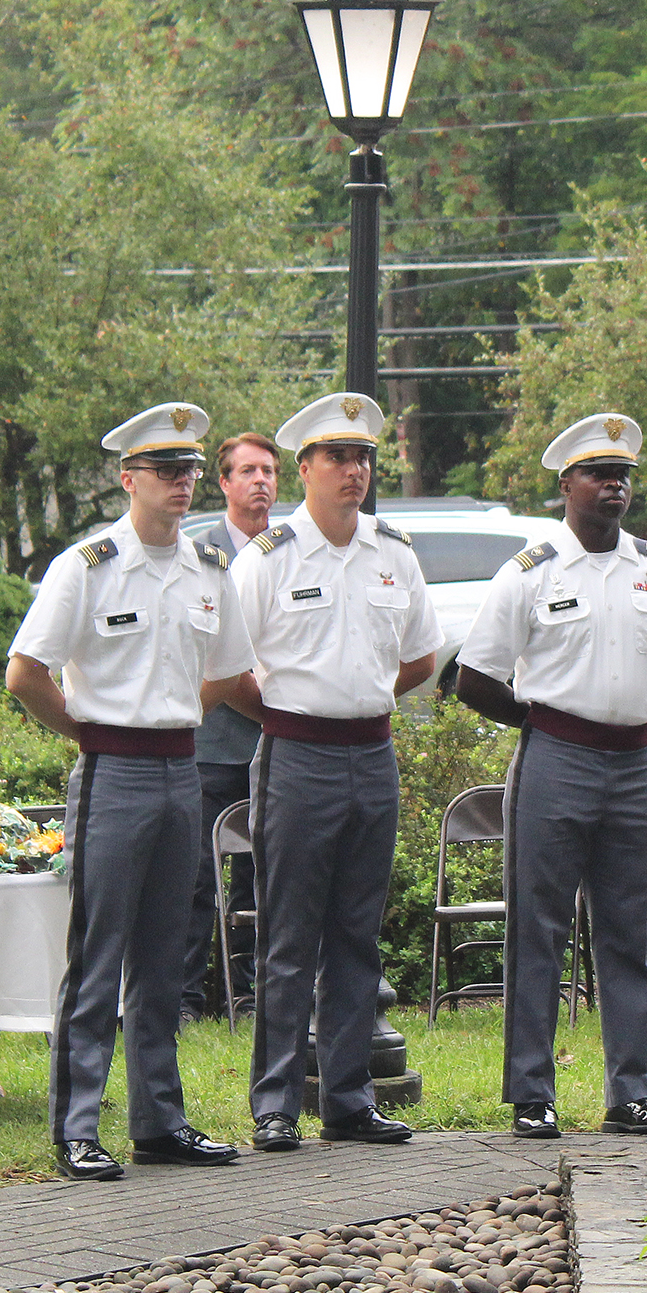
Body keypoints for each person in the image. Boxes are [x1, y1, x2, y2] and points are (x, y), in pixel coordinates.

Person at [5, 403, 255, 1181]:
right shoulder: (88, 566)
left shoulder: (210, 570)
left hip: (182, 771)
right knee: (99, 950)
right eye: (165, 471)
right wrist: (92, 734)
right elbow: (25, 673)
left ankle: (160, 1119)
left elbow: (228, 671)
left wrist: (175, 719)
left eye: (188, 470)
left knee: (164, 950)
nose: (182, 484)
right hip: (112, 771)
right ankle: (78, 1124)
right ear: (127, 479)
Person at [457, 412, 647, 1139]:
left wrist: (637, 708)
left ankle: (629, 1090)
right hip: (555, 761)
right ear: (566, 484)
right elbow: (473, 677)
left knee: (628, 933)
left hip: (633, 764)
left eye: (624, 475)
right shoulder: (532, 571)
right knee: (537, 929)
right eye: (600, 474)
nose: (615, 485)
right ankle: (532, 1092)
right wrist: (547, 722)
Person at [226, 393, 442, 1151]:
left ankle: (349, 1098)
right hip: (296, 756)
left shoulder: (395, 553)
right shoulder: (269, 559)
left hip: (370, 754)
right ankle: (278, 1102)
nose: (355, 471)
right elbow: (222, 668)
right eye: (339, 458)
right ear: (305, 468)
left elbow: (421, 655)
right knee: (289, 936)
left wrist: (364, 701)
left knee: (357, 933)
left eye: (364, 458)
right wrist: (288, 715)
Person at [180, 431, 277, 1024]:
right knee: (196, 882)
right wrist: (259, 705)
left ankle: (249, 997)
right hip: (214, 743)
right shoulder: (197, 555)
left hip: (274, 747)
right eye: (247, 471)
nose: (261, 480)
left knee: (260, 885)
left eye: (268, 470)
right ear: (224, 483)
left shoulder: (293, 551)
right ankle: (189, 999)